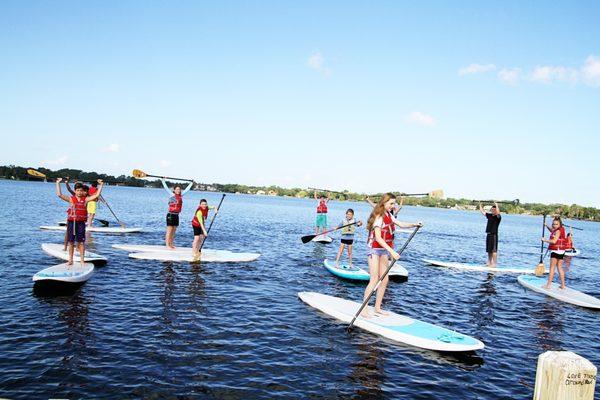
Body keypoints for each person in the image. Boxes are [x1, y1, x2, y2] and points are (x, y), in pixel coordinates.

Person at [361, 193, 422, 317]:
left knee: (384, 279)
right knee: (374, 280)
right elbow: (378, 238)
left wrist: (414, 224)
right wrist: (392, 251)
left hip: (383, 250)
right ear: (384, 203)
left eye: (394, 203)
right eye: (391, 204)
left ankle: (377, 307)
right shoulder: (378, 217)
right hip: (374, 249)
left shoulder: (389, 215)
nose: (393, 206)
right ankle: (364, 309)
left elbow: (401, 224)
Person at [55, 178, 104, 265]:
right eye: (78, 190)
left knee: (81, 242)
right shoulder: (71, 199)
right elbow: (59, 194)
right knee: (71, 242)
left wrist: (101, 185)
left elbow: (97, 195)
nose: (80, 192)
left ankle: (82, 260)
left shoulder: (86, 199)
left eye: (81, 191)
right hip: (72, 223)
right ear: (75, 191)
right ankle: (70, 260)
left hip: (81, 223)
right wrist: (58, 183)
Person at [161, 178, 194, 249]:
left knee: (174, 231)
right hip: (170, 215)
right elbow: (166, 188)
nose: (178, 190)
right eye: (177, 189)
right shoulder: (171, 195)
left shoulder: (181, 196)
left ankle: (171, 244)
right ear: (174, 190)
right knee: (169, 230)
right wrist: (163, 180)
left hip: (176, 215)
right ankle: (167, 245)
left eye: (179, 189)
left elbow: (187, 190)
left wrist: (191, 183)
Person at [541, 217, 568, 290]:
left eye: (556, 224)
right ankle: (563, 286)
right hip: (561, 251)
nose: (554, 225)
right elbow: (552, 231)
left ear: (560, 224)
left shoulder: (558, 231)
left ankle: (548, 285)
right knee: (559, 267)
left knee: (552, 268)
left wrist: (545, 240)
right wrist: (546, 225)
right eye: (553, 224)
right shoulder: (560, 230)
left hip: (556, 251)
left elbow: (554, 241)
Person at [480, 202, 501, 266]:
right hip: (488, 234)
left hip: (494, 235)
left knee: (494, 250)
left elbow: (498, 212)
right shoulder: (489, 216)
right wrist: (480, 205)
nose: (492, 210)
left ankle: (494, 264)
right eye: (492, 209)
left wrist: (496, 205)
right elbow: (483, 212)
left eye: (494, 209)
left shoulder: (498, 217)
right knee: (489, 250)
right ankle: (489, 263)